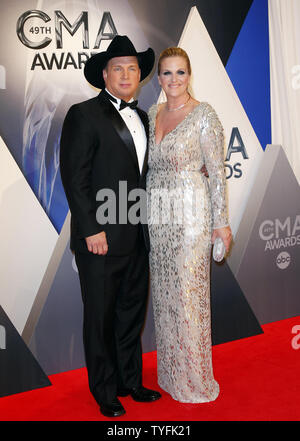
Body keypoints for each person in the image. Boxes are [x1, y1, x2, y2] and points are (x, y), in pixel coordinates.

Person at [59, 35, 161, 418]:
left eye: (132, 68)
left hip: (137, 234)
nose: (125, 74)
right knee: (100, 318)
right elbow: (75, 178)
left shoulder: (145, 117)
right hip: (100, 238)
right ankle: (104, 391)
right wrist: (90, 229)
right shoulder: (83, 115)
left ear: (139, 75)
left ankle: (129, 382)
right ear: (104, 74)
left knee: (130, 314)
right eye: (117, 67)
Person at [146, 47, 232, 403]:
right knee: (166, 297)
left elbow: (216, 173)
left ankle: (195, 379)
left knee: (188, 296)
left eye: (180, 73)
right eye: (166, 73)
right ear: (159, 78)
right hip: (158, 215)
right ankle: (170, 372)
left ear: (189, 75)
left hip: (191, 216)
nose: (173, 80)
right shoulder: (153, 112)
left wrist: (221, 223)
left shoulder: (204, 116)